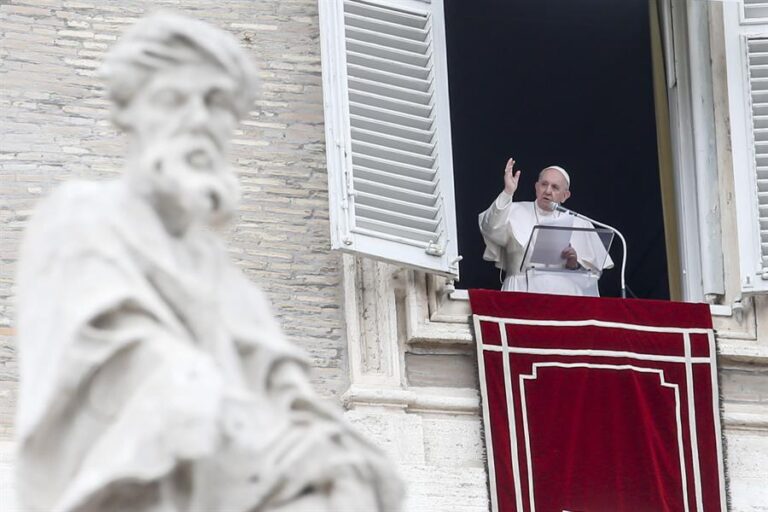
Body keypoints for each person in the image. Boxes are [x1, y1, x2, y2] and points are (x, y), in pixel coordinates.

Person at [15, 12, 402, 512]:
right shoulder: (82, 217)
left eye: (215, 102)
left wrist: (337, 461)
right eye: (174, 98)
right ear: (129, 111)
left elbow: (292, 403)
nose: (197, 118)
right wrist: (260, 440)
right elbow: (127, 369)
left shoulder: (234, 288)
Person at [478, 158, 613, 296]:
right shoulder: (513, 210)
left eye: (555, 187)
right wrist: (508, 192)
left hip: (566, 296)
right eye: (544, 184)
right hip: (520, 290)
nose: (548, 191)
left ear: (565, 196)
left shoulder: (581, 224)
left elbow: (592, 278)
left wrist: (574, 265)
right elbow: (489, 227)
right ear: (536, 187)